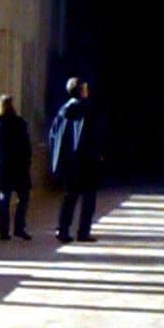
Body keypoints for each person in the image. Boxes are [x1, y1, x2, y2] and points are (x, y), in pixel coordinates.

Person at [48, 77, 102, 242]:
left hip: (68, 162)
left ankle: (62, 229)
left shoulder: (62, 111)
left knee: (69, 197)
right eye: (85, 88)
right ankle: (83, 232)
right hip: (85, 161)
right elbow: (92, 135)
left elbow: (53, 136)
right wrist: (97, 153)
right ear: (80, 91)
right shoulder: (86, 110)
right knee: (88, 198)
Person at [0, 94, 33, 241]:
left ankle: (4, 230)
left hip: (3, 166)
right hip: (19, 165)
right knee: (23, 197)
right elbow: (26, 144)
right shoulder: (19, 122)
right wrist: (27, 161)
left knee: (4, 198)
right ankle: (19, 227)